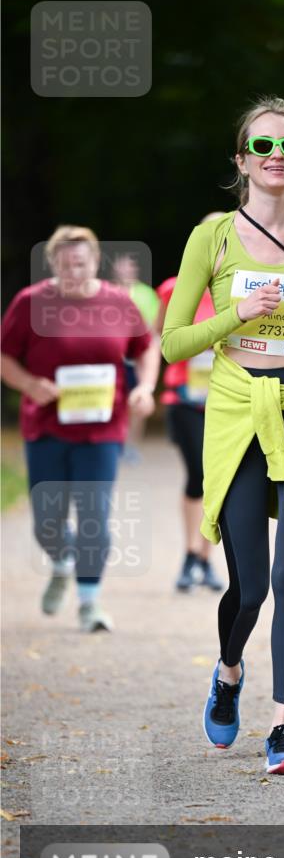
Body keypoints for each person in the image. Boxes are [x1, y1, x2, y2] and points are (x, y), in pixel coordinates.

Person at [161, 97, 284, 774]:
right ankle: (227, 669)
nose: (279, 157)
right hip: (237, 411)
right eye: (265, 147)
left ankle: (282, 729)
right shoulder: (211, 237)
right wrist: (236, 314)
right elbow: (173, 343)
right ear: (243, 161)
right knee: (249, 589)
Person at [1, 225, 160, 631]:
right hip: (47, 426)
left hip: (103, 430)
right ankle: (61, 563)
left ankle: (90, 605)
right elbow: (4, 357)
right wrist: (30, 384)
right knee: (47, 521)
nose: (75, 270)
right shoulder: (31, 302)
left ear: (96, 262)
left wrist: (144, 387)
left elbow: (147, 348)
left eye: (83, 263)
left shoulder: (117, 302)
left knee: (95, 515)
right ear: (53, 263)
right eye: (67, 264)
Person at [154, 213, 226, 593]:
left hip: (229, 399)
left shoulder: (242, 287)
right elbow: (157, 338)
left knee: (220, 478)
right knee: (199, 473)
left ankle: (203, 557)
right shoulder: (173, 288)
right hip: (183, 398)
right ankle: (189, 553)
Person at [112, 253, 162, 463]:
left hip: (136, 357)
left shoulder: (146, 294)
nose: (127, 271)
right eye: (123, 267)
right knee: (113, 402)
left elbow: (152, 327)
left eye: (130, 268)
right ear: (115, 270)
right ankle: (114, 444)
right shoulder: (108, 292)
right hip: (114, 357)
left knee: (138, 401)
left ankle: (131, 446)